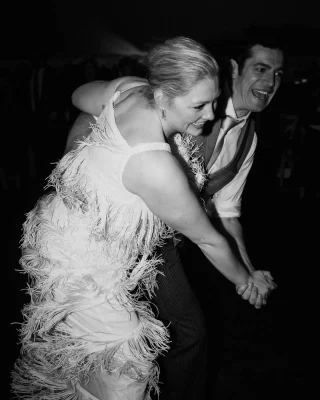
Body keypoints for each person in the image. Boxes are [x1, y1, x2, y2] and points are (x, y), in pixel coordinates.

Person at [13, 36, 276, 400]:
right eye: (199, 105)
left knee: (89, 365)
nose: (211, 114)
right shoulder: (156, 165)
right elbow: (209, 239)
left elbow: (80, 96)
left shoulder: (130, 90)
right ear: (164, 96)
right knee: (127, 372)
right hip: (83, 262)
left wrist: (89, 162)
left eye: (214, 101)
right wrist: (245, 280)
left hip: (70, 230)